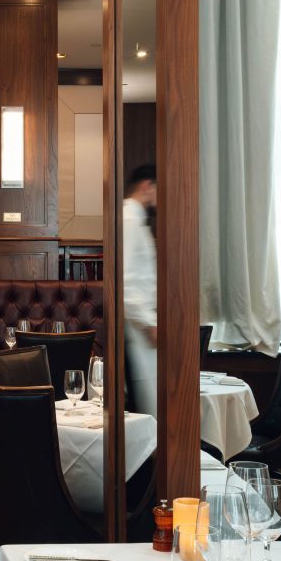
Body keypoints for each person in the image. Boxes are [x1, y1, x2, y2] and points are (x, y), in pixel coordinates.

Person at [124, 164, 158, 419]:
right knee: (149, 405)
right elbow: (124, 280)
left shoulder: (136, 220)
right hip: (138, 326)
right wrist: (148, 323)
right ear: (147, 186)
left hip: (142, 324)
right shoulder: (129, 220)